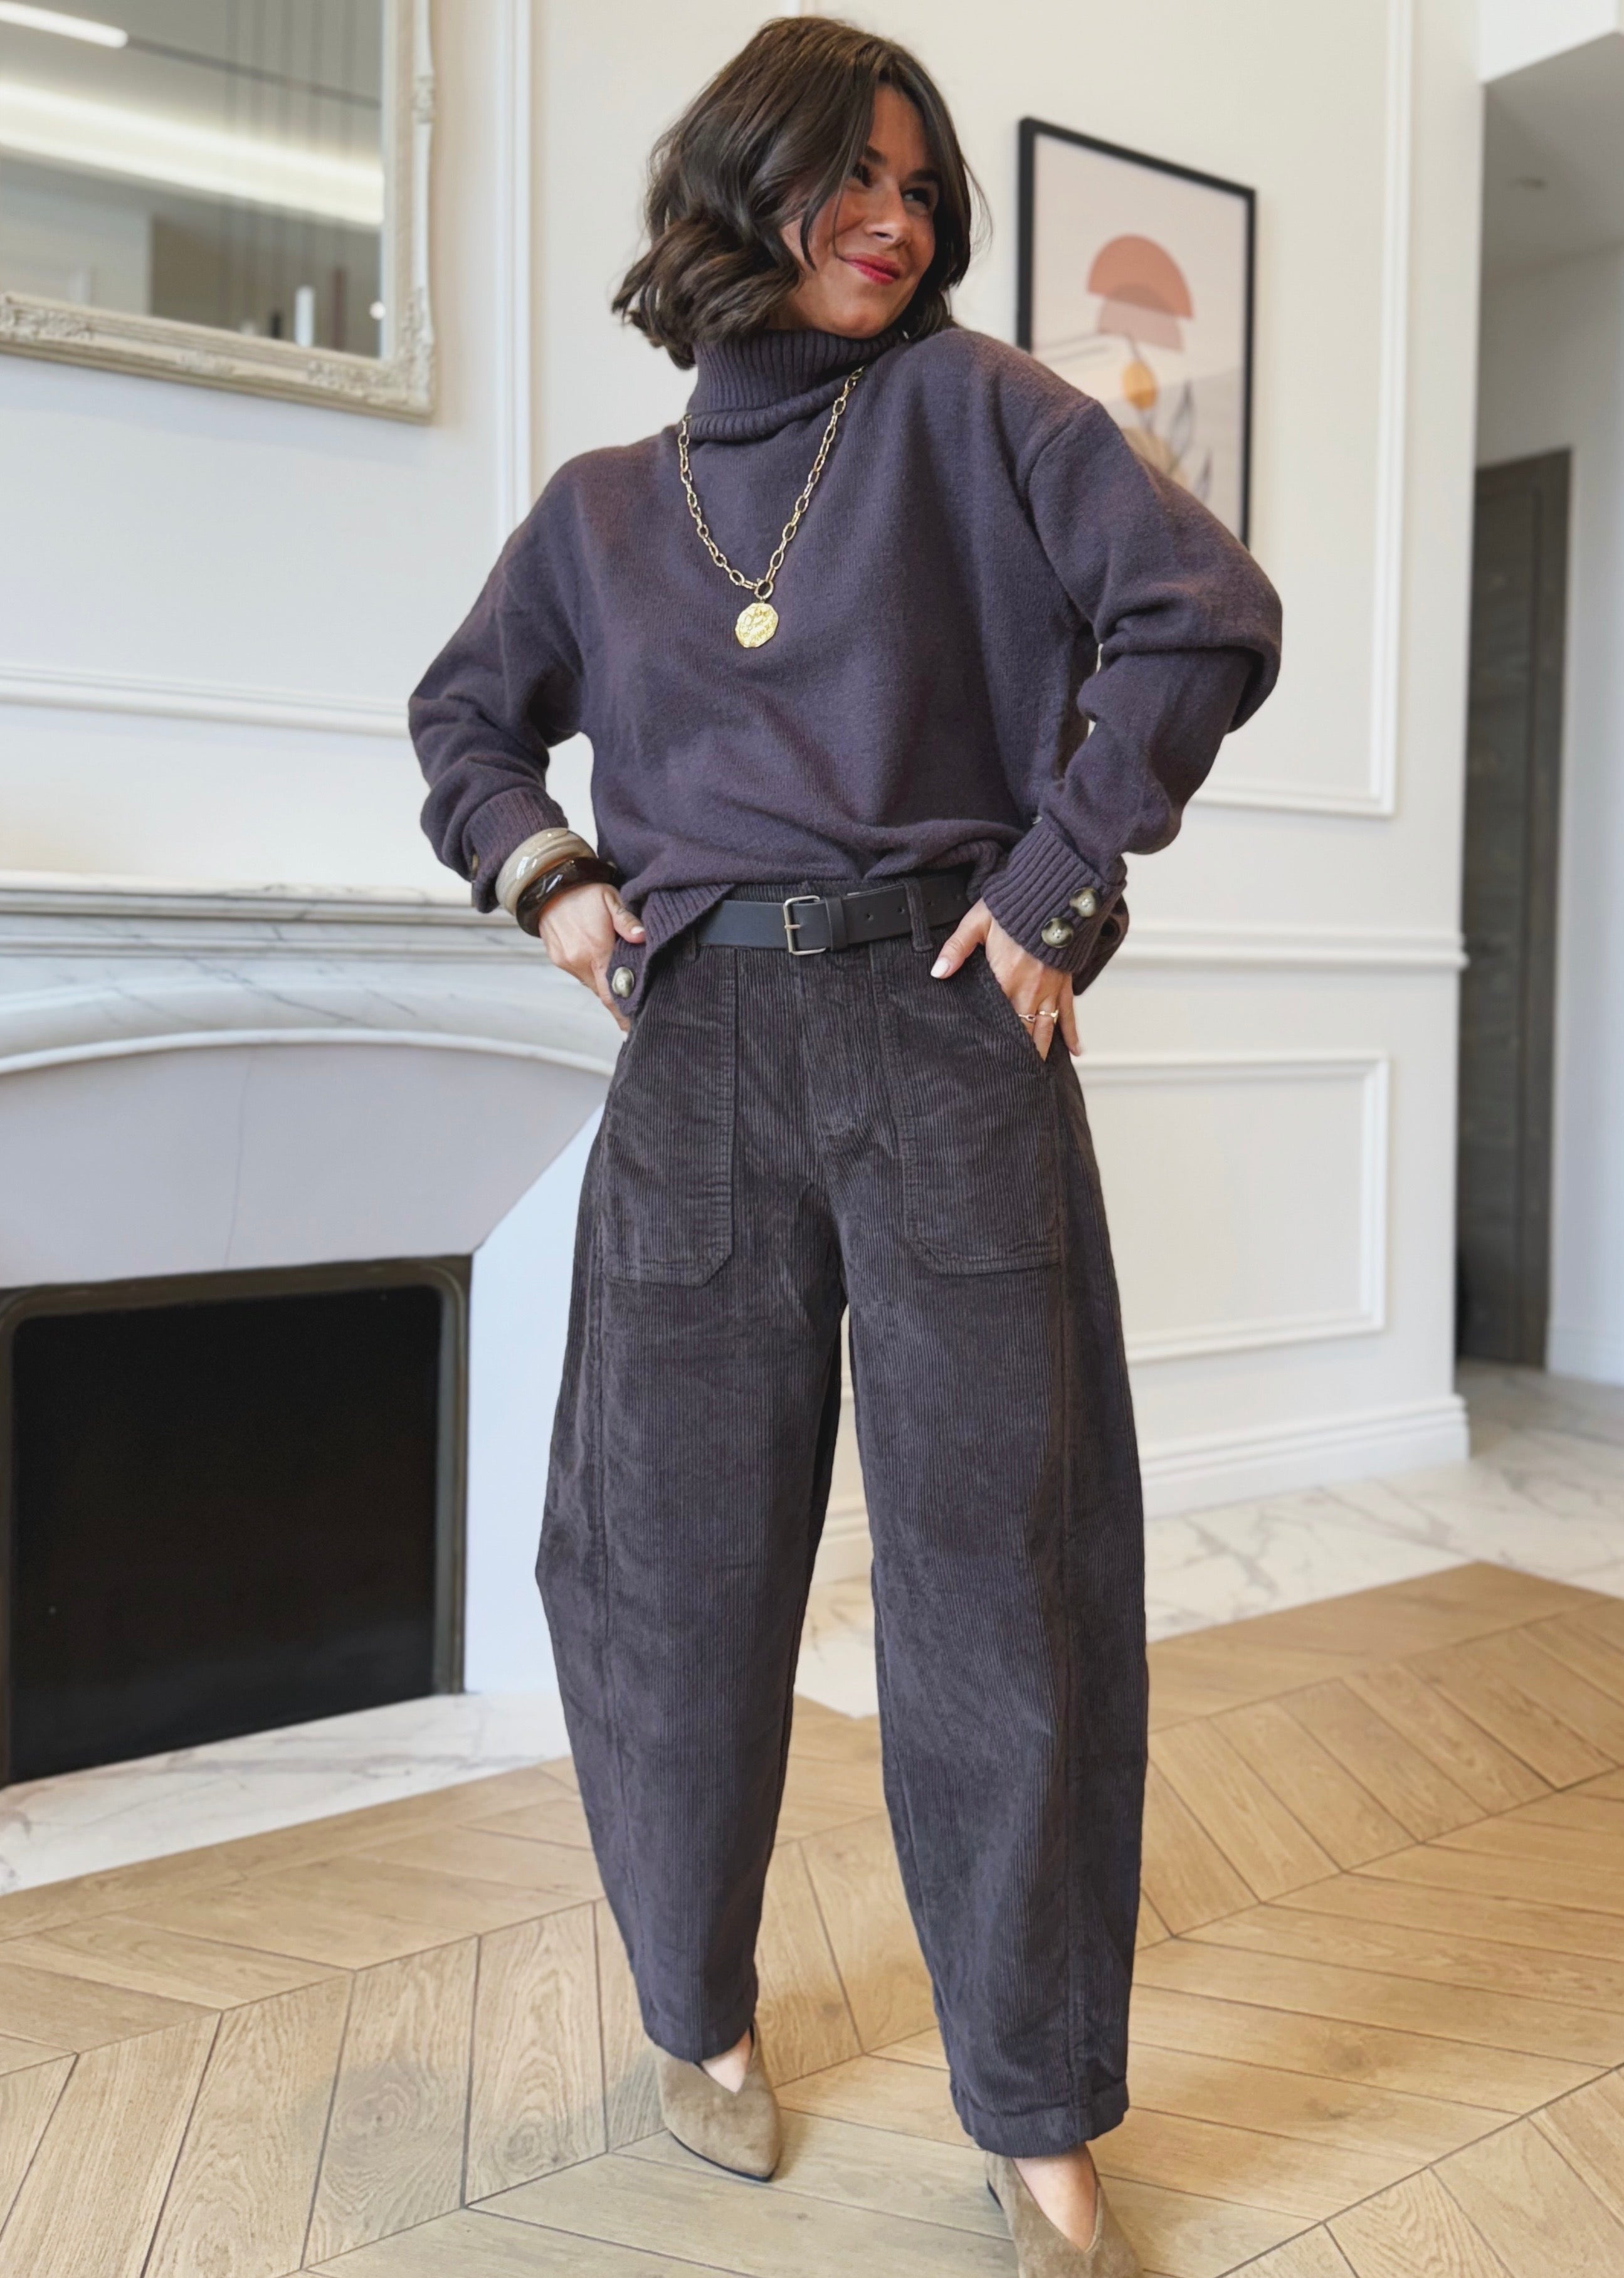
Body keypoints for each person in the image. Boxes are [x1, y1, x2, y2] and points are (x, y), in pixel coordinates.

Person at [410, 19, 1280, 2274]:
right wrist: (552, 880)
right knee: (664, 1565)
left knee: (1009, 1580)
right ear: (743, 183)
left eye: (921, 184)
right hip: (696, 1042)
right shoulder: (604, 510)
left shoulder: (985, 414)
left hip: (939, 1028)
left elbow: (1204, 615)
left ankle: (1038, 2108)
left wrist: (1059, 887)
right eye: (850, 175)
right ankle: (695, 2009)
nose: (893, 217)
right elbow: (463, 723)